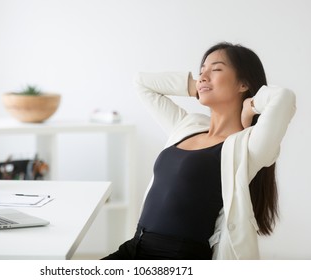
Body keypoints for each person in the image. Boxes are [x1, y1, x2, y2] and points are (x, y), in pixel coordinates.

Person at [102, 42, 296, 260]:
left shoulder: (247, 147)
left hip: (178, 257)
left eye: (216, 69)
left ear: (243, 83)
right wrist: (198, 85)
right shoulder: (187, 125)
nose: (203, 75)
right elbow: (142, 83)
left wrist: (250, 106)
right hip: (135, 246)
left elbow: (284, 98)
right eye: (201, 70)